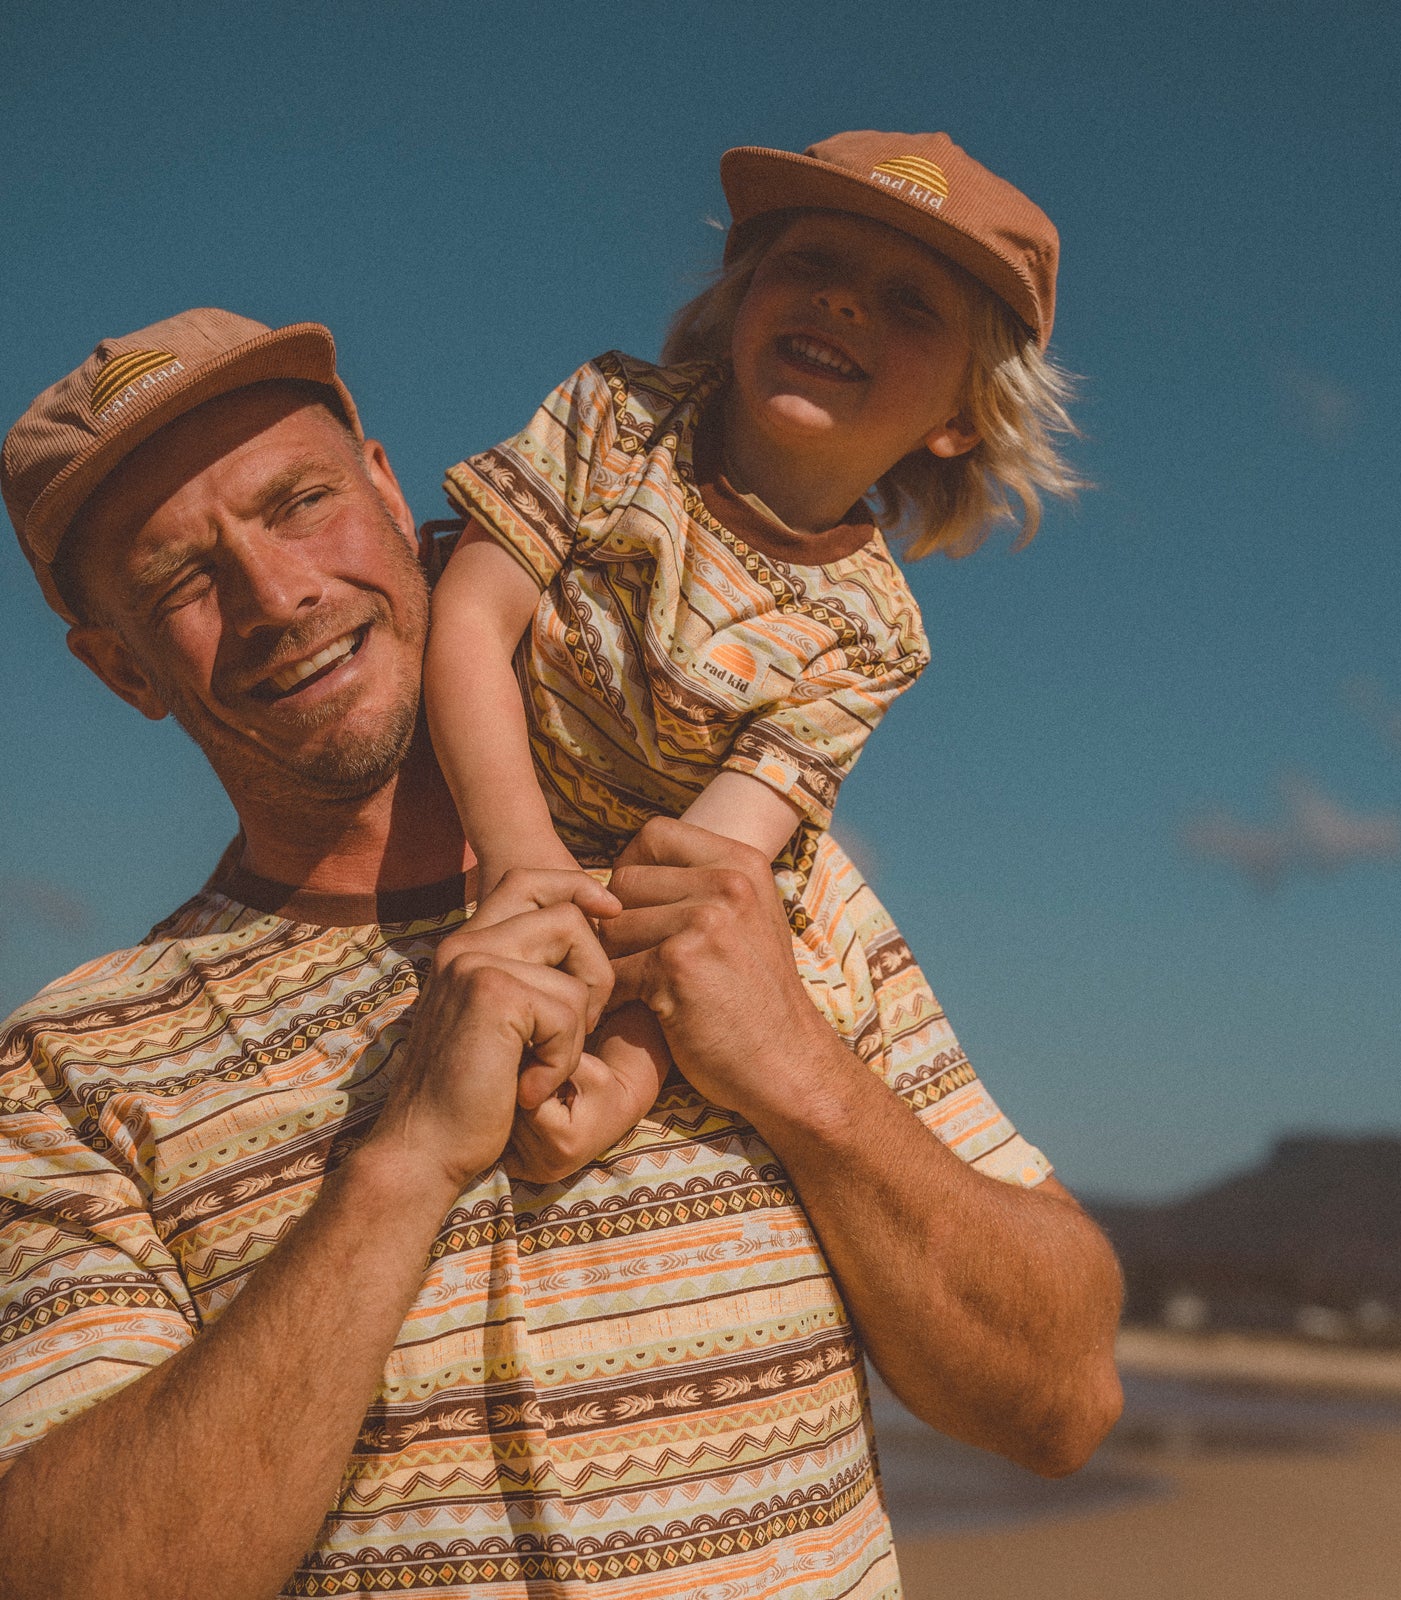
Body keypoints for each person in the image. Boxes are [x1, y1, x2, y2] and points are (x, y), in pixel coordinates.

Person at [0, 304, 1122, 1599]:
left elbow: (1062, 1400)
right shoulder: (66, 1074)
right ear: (118, 669)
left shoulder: (752, 891)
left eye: (300, 502)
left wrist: (798, 1072)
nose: (279, 594)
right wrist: (404, 1163)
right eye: (181, 581)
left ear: (386, 488)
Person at [427, 130, 1087, 1177]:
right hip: (482, 820)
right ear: (742, 297)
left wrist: (623, 1075)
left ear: (961, 417)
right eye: (811, 262)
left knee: (766, 917)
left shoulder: (873, 635)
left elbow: (714, 872)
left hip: (635, 905)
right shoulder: (616, 415)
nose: (843, 302)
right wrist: (518, 858)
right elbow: (468, 620)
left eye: (911, 301)